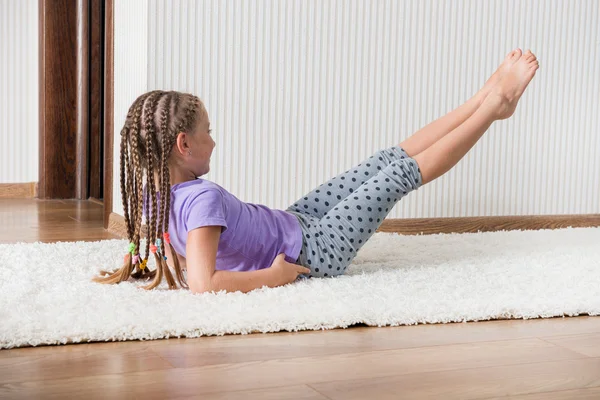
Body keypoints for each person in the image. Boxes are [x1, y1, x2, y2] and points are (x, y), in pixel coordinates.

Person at [93, 48, 539, 294]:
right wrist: (275, 277)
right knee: (397, 175)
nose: (214, 139)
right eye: (207, 131)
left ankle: (482, 98)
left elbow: (173, 250)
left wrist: (142, 266)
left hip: (295, 222)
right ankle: (494, 107)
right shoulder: (201, 199)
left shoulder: (151, 194)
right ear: (183, 145)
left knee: (383, 159)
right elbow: (205, 285)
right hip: (316, 251)